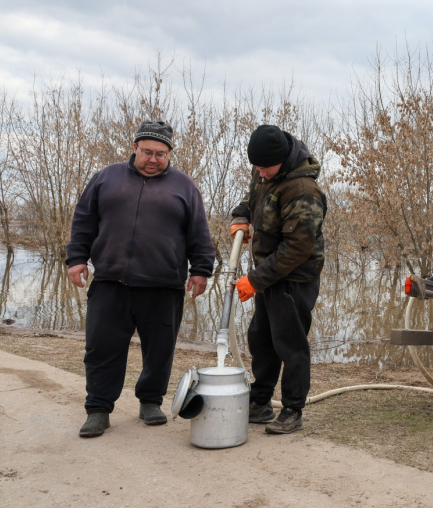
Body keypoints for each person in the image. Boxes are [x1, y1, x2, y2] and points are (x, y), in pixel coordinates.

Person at [66, 121, 215, 438]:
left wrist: (202, 270)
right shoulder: (107, 178)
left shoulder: (184, 186)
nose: (153, 158)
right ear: (134, 147)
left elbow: (199, 233)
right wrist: (76, 258)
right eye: (147, 151)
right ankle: (98, 409)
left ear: (169, 153)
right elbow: (83, 220)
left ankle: (150, 401)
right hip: (110, 281)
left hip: (163, 285)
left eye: (161, 153)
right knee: (102, 348)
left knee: (160, 349)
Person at [230, 124, 326, 435]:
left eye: (265, 167)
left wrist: (255, 280)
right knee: (261, 338)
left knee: (290, 344)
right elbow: (252, 196)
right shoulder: (265, 172)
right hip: (270, 278)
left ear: (282, 159)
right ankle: (259, 403)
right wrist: (240, 215)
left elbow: (296, 248)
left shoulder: (302, 191)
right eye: (255, 166)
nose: (260, 172)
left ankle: (292, 410)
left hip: (294, 279)